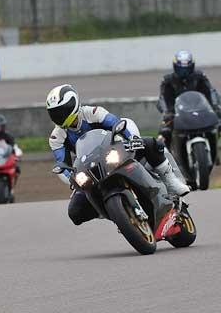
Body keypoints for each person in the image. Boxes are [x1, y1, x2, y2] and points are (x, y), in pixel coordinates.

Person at [46, 84, 189, 226]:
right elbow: (63, 164)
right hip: (90, 171)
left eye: (62, 110)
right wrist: (72, 180)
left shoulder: (93, 113)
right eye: (55, 113)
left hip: (114, 154)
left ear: (74, 104)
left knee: (151, 143)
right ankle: (111, 211)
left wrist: (131, 139)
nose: (59, 116)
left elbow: (115, 123)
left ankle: (170, 180)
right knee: (75, 213)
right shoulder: (56, 137)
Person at [157, 50, 221, 160]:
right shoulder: (168, 81)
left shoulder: (200, 77)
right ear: (175, 67)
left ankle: (217, 148)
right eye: (181, 69)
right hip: (177, 114)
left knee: (219, 122)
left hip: (201, 111)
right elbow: (163, 98)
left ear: (192, 67)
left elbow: (211, 92)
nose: (184, 72)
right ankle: (167, 162)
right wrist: (167, 112)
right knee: (164, 133)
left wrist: (215, 106)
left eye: (186, 69)